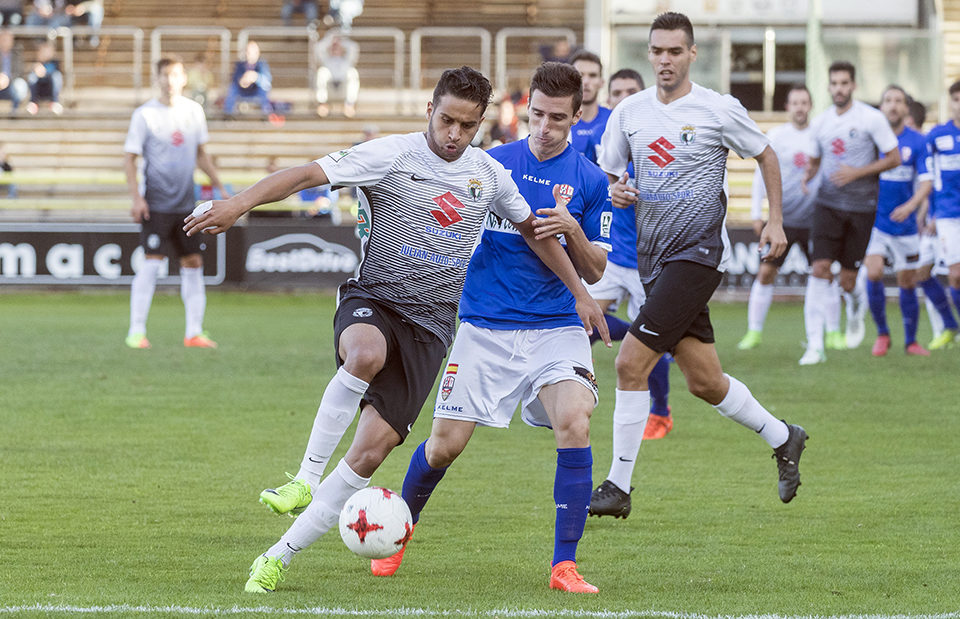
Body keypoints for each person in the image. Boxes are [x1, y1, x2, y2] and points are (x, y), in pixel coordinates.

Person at [182, 66, 609, 594]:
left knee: (368, 455)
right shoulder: (392, 154)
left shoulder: (490, 173)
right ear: (429, 110)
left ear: (480, 125)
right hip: (375, 300)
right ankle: (304, 478)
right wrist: (237, 203)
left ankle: (276, 557)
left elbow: (534, 233)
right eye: (446, 120)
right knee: (363, 355)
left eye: (467, 126)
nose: (453, 135)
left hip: (430, 330)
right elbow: (305, 174)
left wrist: (582, 294)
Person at [363, 61, 611, 593]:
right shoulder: (489, 164)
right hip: (484, 326)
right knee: (444, 446)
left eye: (557, 120)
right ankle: (397, 533)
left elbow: (595, 268)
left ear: (577, 117)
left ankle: (563, 566)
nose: (544, 128)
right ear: (526, 109)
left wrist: (572, 231)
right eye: (537, 115)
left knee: (576, 421)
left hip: (554, 328)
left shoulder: (590, 181)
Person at [596, 12, 808, 514]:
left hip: (697, 256)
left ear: (692, 54)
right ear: (648, 54)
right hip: (653, 260)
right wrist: (618, 191)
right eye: (657, 51)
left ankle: (617, 487)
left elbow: (766, 154)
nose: (665, 60)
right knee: (705, 382)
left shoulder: (718, 108)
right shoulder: (629, 112)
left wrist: (774, 221)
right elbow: (611, 177)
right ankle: (784, 436)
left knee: (629, 363)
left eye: (675, 51)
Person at [586, 68, 674, 526]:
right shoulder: (610, 135)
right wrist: (611, 192)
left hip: (652, 257)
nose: (621, 99)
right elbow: (600, 185)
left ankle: (661, 409)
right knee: (584, 318)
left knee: (652, 342)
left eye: (626, 92)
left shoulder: (654, 134)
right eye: (614, 93)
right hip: (614, 254)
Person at [799, 61, 901, 364]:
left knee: (847, 279)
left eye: (844, 83)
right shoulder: (821, 123)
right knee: (819, 270)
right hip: (827, 205)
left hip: (862, 208)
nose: (839, 89)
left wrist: (857, 172)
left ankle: (855, 307)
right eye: (834, 83)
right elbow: (816, 159)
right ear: (829, 87)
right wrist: (808, 175)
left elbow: (893, 158)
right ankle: (815, 345)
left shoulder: (871, 119)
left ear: (853, 86)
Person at [123, 55, 227, 350]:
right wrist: (136, 198)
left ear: (183, 79)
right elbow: (129, 159)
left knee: (193, 263)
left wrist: (220, 187)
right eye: (164, 75)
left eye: (175, 75)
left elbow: (201, 155)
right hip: (155, 205)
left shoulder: (194, 112)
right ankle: (136, 331)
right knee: (151, 264)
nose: (169, 81)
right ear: (157, 78)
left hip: (186, 205)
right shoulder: (144, 115)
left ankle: (194, 331)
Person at [738, 84, 820, 350]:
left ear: (810, 106)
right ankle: (754, 332)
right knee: (765, 273)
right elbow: (760, 176)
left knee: (823, 275)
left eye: (804, 102)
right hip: (782, 221)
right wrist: (756, 213)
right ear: (788, 107)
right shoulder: (776, 136)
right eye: (795, 103)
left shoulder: (818, 135)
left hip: (816, 220)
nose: (799, 107)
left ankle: (830, 333)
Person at [862, 85, 932, 357]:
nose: (892, 105)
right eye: (888, 100)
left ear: (906, 108)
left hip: (905, 226)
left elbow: (927, 182)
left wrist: (911, 206)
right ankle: (882, 334)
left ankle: (911, 341)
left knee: (907, 281)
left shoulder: (918, 141)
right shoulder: (872, 141)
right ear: (881, 107)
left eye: (898, 101)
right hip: (876, 222)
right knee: (874, 272)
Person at [924, 79, 960, 348]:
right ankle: (950, 325)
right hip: (947, 215)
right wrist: (930, 213)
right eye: (956, 100)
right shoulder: (936, 136)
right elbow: (928, 178)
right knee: (955, 274)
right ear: (950, 102)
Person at [567, 50, 608, 164]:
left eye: (592, 75)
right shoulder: (559, 121)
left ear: (601, 82)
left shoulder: (613, 119)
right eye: (580, 75)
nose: (585, 81)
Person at [314, 33, 359, 118]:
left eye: (337, 48)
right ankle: (322, 104)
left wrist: (341, 41)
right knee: (321, 72)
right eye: (333, 47)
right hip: (329, 86)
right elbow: (318, 47)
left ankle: (349, 105)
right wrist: (330, 39)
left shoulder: (347, 60)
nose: (335, 49)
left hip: (343, 86)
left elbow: (354, 47)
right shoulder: (326, 60)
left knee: (353, 72)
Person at [224, 40, 272, 117]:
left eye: (254, 52)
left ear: (258, 53)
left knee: (264, 89)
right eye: (249, 52)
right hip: (242, 91)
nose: (251, 55)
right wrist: (243, 81)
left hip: (256, 91)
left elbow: (267, 82)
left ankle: (266, 115)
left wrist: (256, 77)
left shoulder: (262, 65)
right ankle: (228, 115)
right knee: (232, 89)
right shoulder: (239, 65)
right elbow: (235, 79)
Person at [25, 39, 61, 115]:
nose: (45, 54)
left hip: (50, 89)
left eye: (47, 51)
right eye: (43, 51)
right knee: (32, 76)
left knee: (57, 76)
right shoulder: (36, 63)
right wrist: (36, 68)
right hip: (39, 89)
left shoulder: (55, 62)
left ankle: (55, 102)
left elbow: (55, 72)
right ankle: (33, 103)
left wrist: (45, 72)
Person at [0, 28, 28, 114]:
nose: (5, 42)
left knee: (20, 85)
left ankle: (15, 111)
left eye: (8, 39)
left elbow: (19, 71)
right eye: (3, 39)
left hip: (11, 84)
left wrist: (7, 79)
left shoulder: (17, 53)